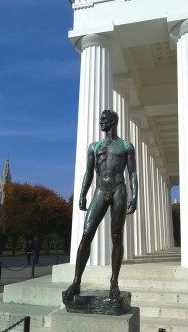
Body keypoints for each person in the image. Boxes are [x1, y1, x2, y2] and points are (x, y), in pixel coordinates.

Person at [63, 110, 138, 300]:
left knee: (116, 236)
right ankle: (76, 281)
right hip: (99, 190)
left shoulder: (126, 146)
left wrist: (134, 196)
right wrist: (82, 194)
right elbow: (88, 172)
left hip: (119, 189)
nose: (101, 122)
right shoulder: (94, 147)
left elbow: (133, 173)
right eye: (100, 120)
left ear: (113, 121)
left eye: (104, 120)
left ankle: (114, 281)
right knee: (87, 233)